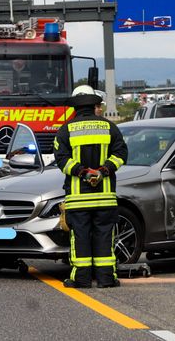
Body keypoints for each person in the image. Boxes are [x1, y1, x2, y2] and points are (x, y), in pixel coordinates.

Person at [54, 85, 128, 289]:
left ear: (76, 107)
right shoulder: (109, 127)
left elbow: (61, 160)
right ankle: (106, 279)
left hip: (78, 199)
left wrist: (83, 172)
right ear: (94, 105)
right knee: (105, 237)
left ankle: (81, 279)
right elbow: (121, 154)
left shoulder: (66, 130)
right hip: (105, 197)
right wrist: (103, 171)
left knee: (80, 239)